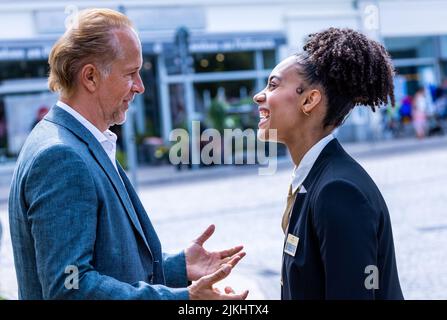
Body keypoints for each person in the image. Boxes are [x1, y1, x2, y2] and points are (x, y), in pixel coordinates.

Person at [8, 8, 248, 300]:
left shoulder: (77, 142)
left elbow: (109, 262)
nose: (140, 86)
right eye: (131, 73)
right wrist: (183, 298)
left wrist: (178, 266)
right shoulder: (62, 156)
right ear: (91, 77)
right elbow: (70, 287)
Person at [253, 27, 403, 300]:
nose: (259, 96)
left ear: (309, 100)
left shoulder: (338, 190)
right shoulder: (317, 179)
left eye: (273, 85)